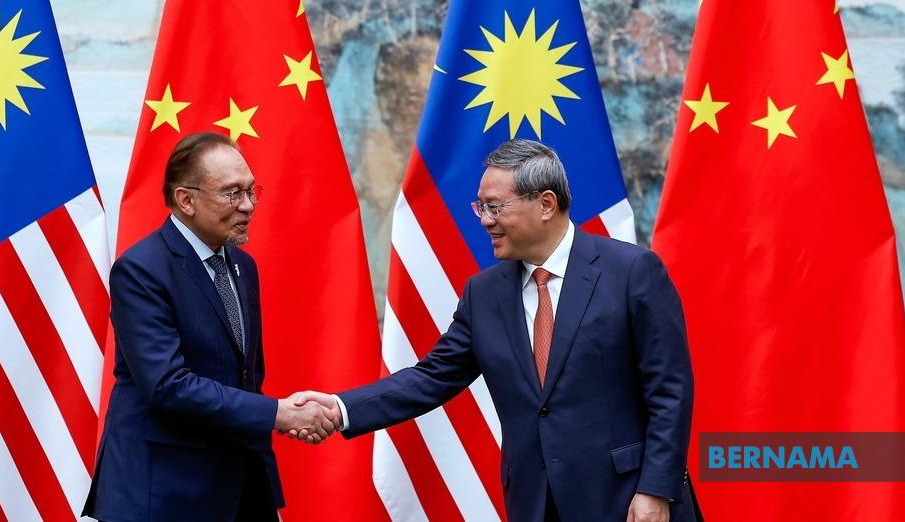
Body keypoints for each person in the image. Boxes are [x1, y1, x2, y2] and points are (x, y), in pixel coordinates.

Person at [295, 139, 697, 522]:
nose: (485, 220)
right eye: (480, 207)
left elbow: (669, 392)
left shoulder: (631, 272)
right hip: (535, 503)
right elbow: (430, 379)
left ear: (545, 204)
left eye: (495, 206)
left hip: (627, 500)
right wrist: (339, 408)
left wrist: (656, 490)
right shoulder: (484, 294)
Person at [84, 132, 335, 522]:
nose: (248, 206)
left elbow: (245, 378)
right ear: (186, 200)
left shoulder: (242, 266)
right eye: (233, 194)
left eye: (252, 191)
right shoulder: (141, 270)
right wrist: (277, 414)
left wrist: (263, 494)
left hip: (237, 492)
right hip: (163, 497)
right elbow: (167, 386)